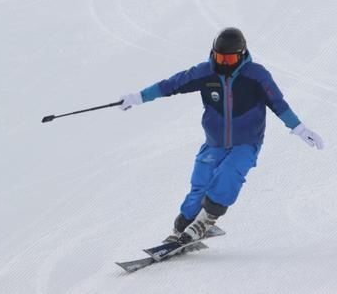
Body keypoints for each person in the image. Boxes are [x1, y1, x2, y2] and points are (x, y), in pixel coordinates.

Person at [119, 27, 324, 244]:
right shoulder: (205, 72)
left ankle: (206, 220)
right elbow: (171, 85)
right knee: (199, 187)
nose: (224, 63)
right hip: (214, 143)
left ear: (242, 54)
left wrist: (300, 129)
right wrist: (137, 97)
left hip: (246, 143)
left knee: (228, 174)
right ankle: (181, 228)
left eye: (229, 59)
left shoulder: (256, 75)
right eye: (220, 58)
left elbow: (278, 104)